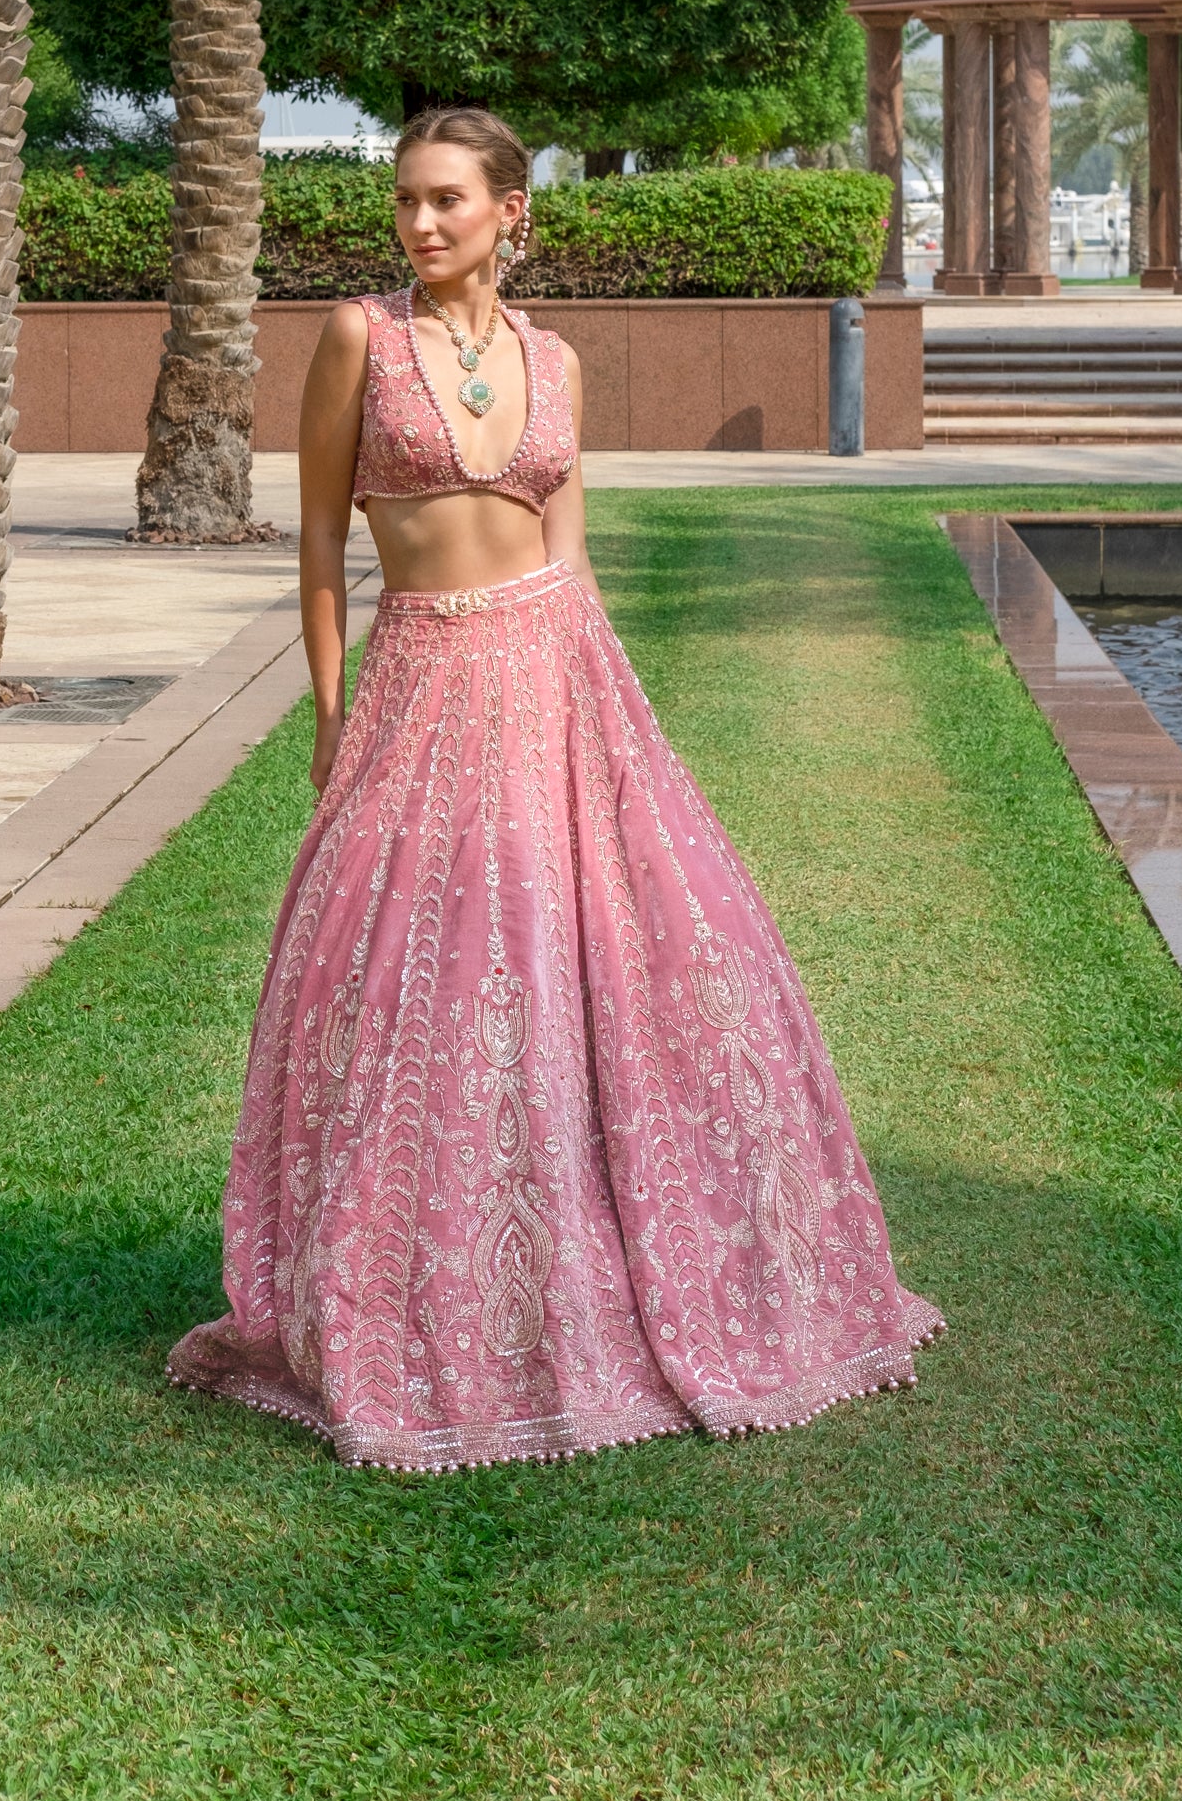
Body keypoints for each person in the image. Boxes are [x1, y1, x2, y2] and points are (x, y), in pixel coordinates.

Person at [169, 107, 941, 1472]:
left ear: (512, 211)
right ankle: (416, 1277)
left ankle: (590, 1265)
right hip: (417, 674)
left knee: (588, 964)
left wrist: (604, 725)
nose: (418, 222)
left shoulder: (554, 358)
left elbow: (567, 558)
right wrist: (332, 720)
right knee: (418, 978)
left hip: (549, 672)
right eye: (405, 199)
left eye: (447, 200)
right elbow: (312, 552)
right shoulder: (360, 337)